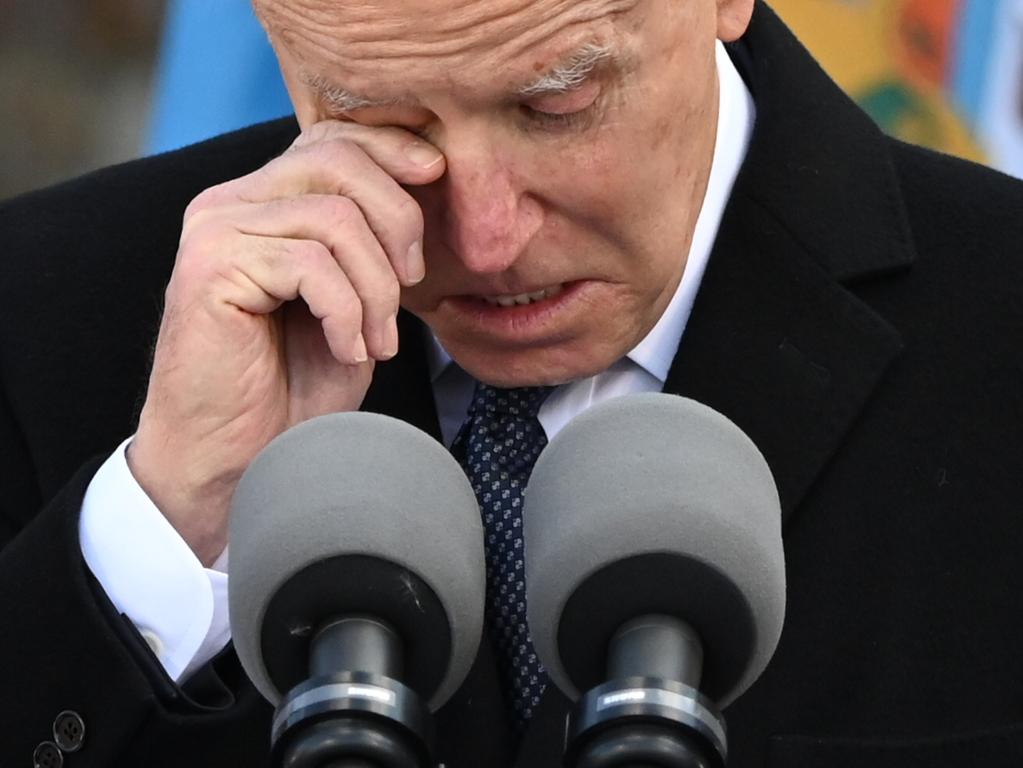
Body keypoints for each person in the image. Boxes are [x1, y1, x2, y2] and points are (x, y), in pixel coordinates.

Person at [2, 0, 1022, 766]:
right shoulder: (42, 311)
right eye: (380, 120)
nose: (485, 242)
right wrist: (165, 530)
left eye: (555, 105)